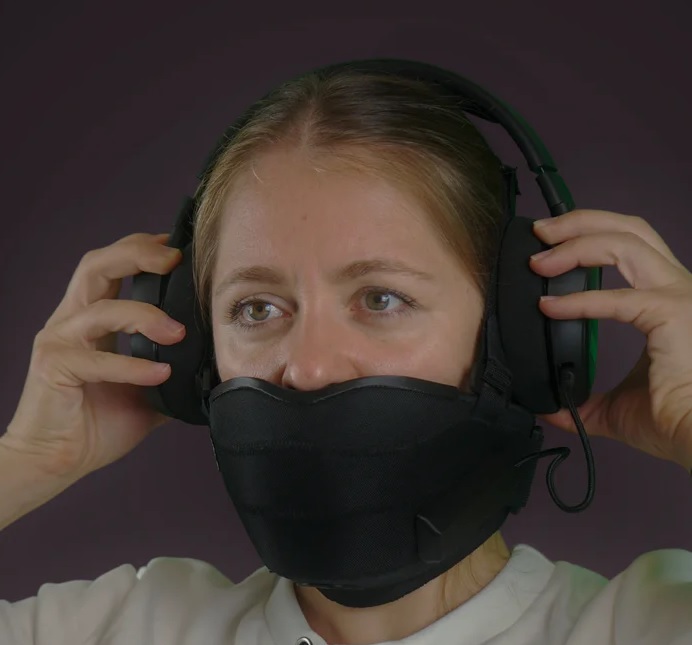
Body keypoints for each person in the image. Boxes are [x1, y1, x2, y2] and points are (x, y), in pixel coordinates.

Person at [2, 61, 692, 645]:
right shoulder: (121, 629)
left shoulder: (647, 627)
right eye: (257, 308)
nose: (310, 368)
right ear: (197, 350)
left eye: (381, 298)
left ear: (511, 333)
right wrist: (27, 460)